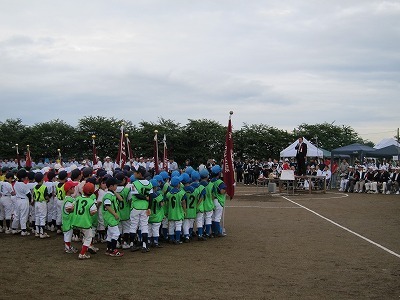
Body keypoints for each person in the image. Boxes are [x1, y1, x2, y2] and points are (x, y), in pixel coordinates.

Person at [129, 166, 153, 253]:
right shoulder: (149, 184)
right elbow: (151, 198)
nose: (134, 173)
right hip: (145, 207)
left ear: (139, 174)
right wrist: (149, 207)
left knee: (133, 226)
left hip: (135, 206)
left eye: (135, 172)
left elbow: (136, 195)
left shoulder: (134, 184)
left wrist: (143, 198)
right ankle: (144, 245)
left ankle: (132, 244)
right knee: (144, 226)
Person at [72, 182, 98, 260]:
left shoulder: (78, 198)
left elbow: (72, 207)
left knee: (85, 235)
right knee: (89, 237)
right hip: (85, 222)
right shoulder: (91, 201)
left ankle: (86, 248)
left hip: (76, 221)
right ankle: (82, 253)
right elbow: (93, 211)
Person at [103, 177, 124, 257]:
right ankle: (113, 250)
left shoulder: (111, 193)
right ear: (111, 186)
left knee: (110, 234)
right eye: (115, 185)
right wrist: (115, 214)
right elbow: (107, 206)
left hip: (110, 218)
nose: (117, 186)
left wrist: (114, 192)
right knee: (116, 234)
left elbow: (121, 199)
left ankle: (109, 249)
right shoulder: (108, 195)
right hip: (110, 217)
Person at [165, 176, 186, 244]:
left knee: (171, 226)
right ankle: (177, 239)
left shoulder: (168, 194)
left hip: (171, 212)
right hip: (178, 212)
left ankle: (171, 239)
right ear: (178, 184)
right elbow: (184, 203)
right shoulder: (181, 193)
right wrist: (184, 210)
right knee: (178, 225)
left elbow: (167, 203)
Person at [11, 169, 31, 236]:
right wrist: (31, 201)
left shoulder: (16, 183)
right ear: (23, 178)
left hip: (17, 200)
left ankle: (14, 229)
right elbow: (29, 195)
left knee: (17, 215)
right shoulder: (24, 185)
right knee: (23, 216)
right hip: (24, 200)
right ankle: (23, 230)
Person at [62, 180, 79, 254]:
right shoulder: (68, 200)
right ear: (69, 189)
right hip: (67, 220)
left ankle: (68, 247)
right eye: (73, 187)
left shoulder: (68, 198)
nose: (74, 188)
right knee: (68, 235)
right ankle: (67, 247)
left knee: (68, 234)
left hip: (68, 220)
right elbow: (69, 210)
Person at [33, 172, 51, 238]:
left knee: (37, 216)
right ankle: (42, 233)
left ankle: (37, 232)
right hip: (42, 202)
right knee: (42, 217)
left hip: (36, 203)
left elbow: (34, 195)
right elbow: (46, 196)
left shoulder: (35, 187)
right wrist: (48, 199)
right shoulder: (44, 187)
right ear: (42, 179)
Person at [148, 178, 164, 248]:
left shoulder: (147, 195)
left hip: (149, 215)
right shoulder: (158, 195)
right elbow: (161, 204)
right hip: (156, 215)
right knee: (155, 229)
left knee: (149, 229)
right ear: (155, 187)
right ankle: (155, 242)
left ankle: (148, 241)